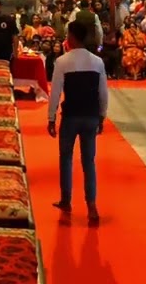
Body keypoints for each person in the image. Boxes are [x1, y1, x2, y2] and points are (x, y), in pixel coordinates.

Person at [46, 21, 108, 225]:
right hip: (90, 116)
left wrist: (51, 117)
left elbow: (55, 92)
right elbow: (103, 93)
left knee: (66, 158)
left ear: (71, 37)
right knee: (89, 162)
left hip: (71, 116)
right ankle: (91, 206)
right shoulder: (97, 62)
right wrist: (102, 116)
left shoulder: (62, 62)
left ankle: (66, 200)